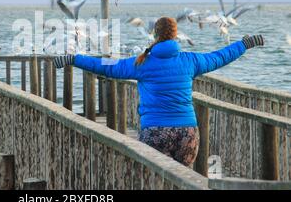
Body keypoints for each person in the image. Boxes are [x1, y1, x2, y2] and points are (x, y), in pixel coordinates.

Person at [53, 17, 264, 167]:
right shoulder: (190, 61)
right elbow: (220, 56)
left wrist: (74, 58)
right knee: (183, 181)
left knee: (155, 181)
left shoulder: (141, 63)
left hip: (154, 132)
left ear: (155, 34)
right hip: (187, 133)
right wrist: (243, 44)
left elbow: (107, 64)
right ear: (175, 36)